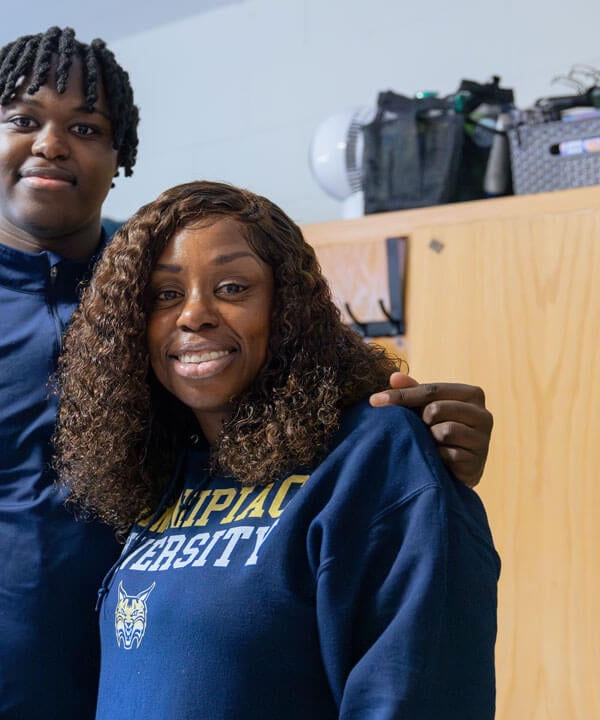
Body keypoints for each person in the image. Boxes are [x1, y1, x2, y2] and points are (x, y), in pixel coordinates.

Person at [0, 26, 495, 720]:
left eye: (86, 127)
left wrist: (415, 432)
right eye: (22, 119)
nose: (50, 143)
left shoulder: (157, 296)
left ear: (121, 155)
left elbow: (297, 383)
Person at [54, 180, 499, 718]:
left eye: (232, 287)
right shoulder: (170, 471)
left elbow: (413, 693)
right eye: (165, 295)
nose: (194, 314)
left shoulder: (373, 454)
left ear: (286, 306)